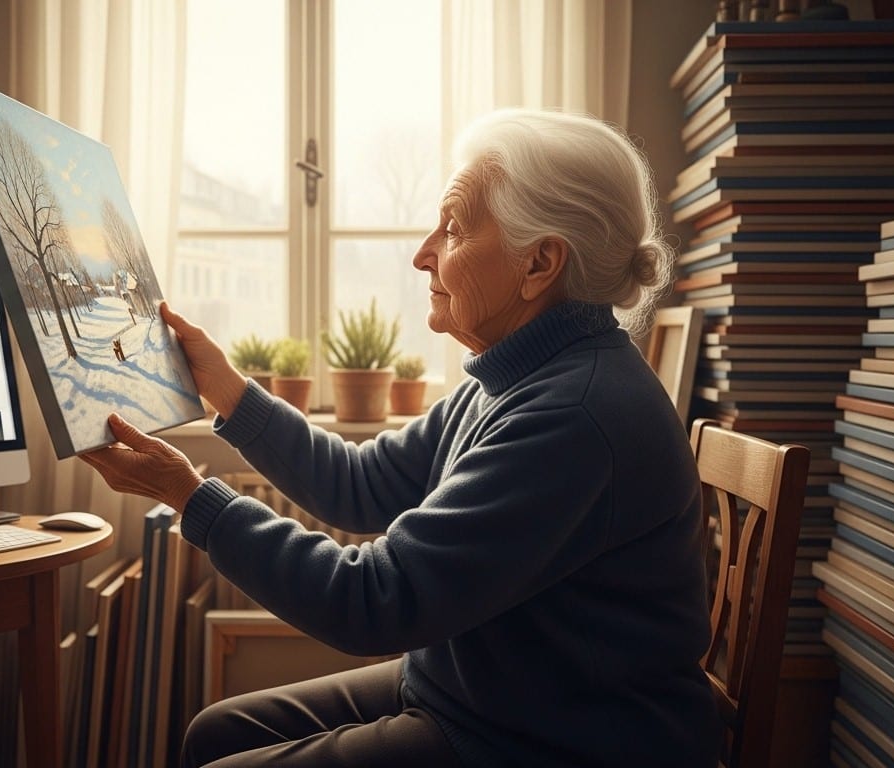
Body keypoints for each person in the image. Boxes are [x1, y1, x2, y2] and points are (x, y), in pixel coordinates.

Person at [82, 109, 718, 767]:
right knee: (214, 733)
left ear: (540, 264)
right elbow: (363, 485)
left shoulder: (576, 417)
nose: (422, 253)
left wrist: (193, 498)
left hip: (552, 743)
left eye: (453, 229)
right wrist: (227, 390)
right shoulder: (513, 378)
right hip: (485, 699)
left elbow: (375, 602)